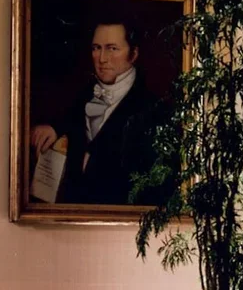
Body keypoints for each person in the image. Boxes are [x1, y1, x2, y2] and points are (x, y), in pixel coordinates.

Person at [30, 18, 160, 205]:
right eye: (96, 48)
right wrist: (54, 128)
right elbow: (70, 120)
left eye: (112, 48)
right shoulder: (81, 96)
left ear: (133, 54)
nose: (102, 58)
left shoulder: (152, 108)